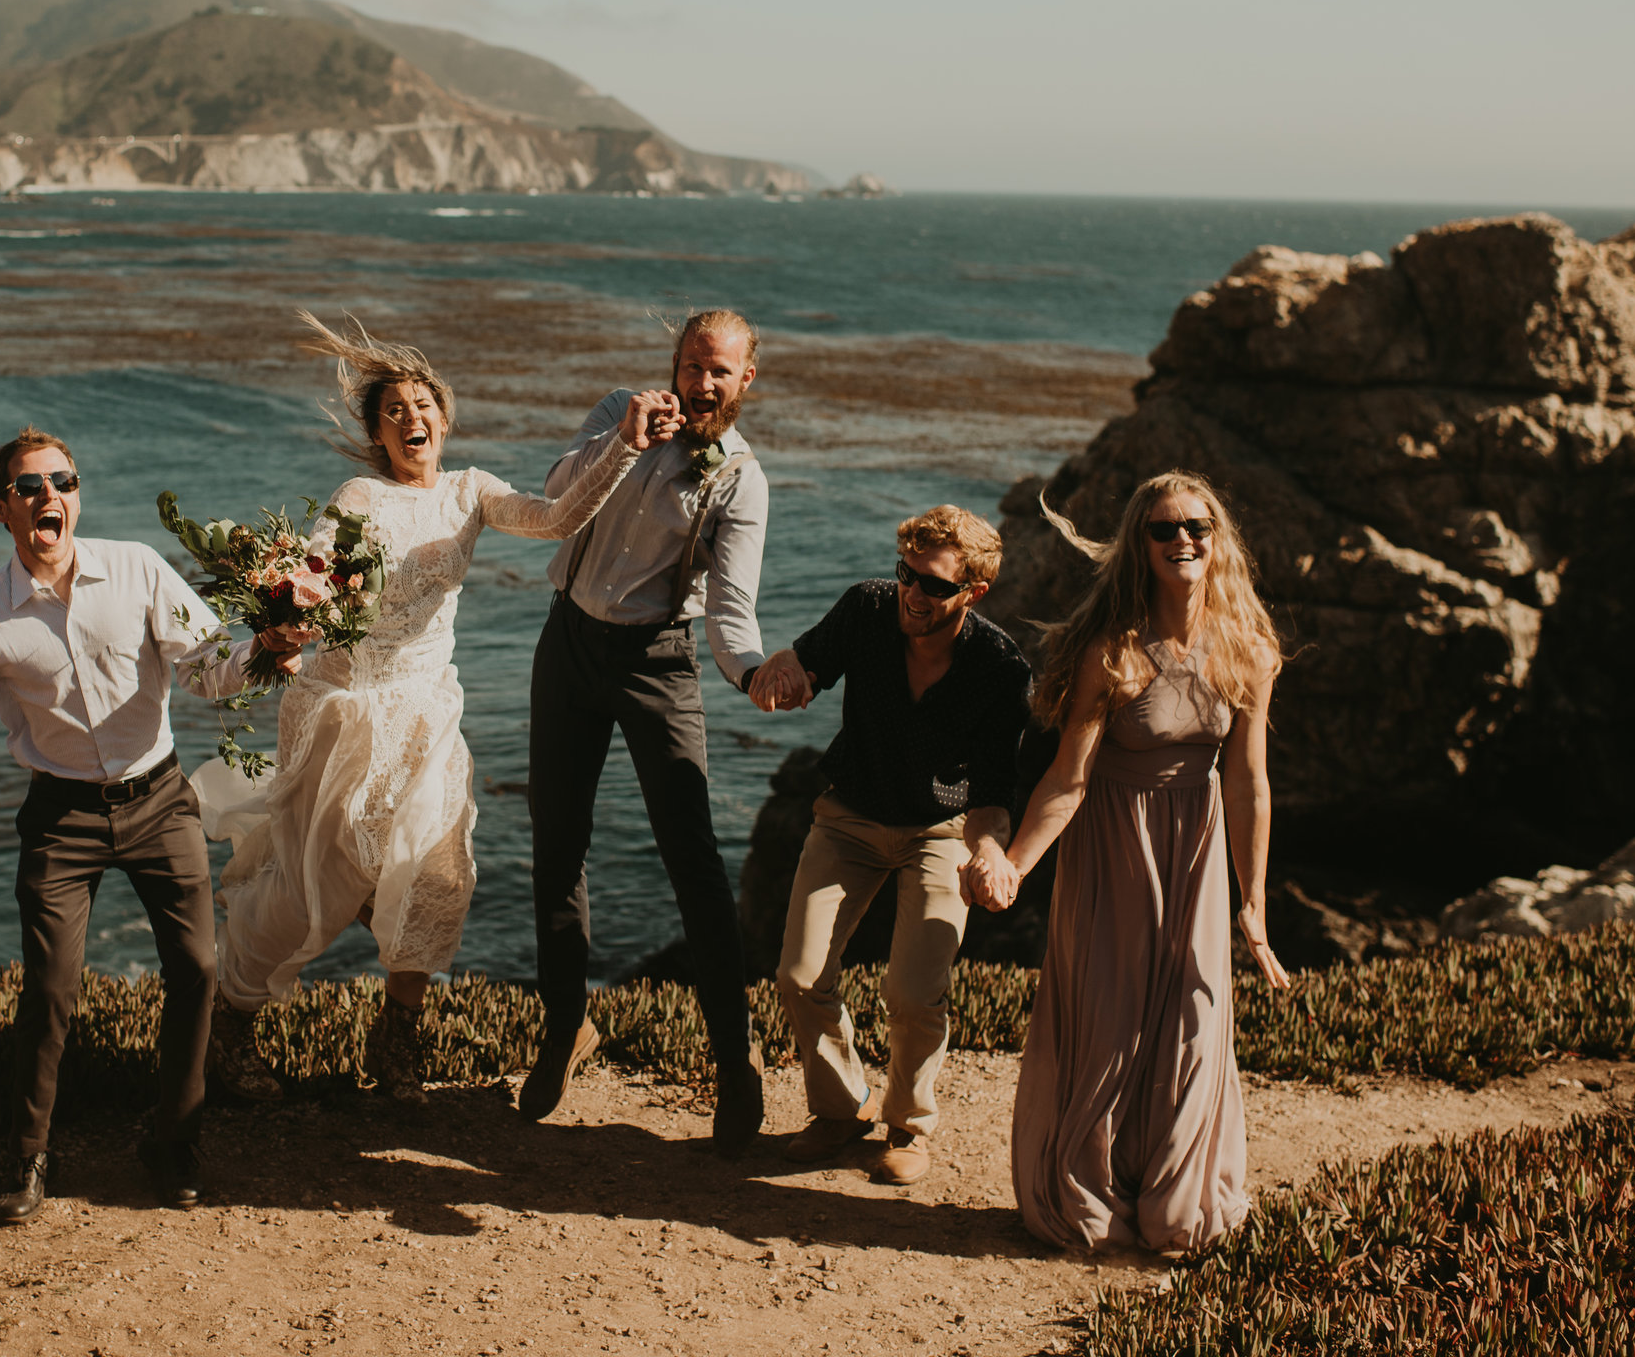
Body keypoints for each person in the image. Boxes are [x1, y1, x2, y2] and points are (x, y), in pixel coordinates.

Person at [203, 316, 675, 1107]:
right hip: (348, 708)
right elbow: (319, 572)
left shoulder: (472, 491)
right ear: (378, 432)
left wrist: (624, 445)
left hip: (426, 715)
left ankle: (396, 1046)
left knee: (437, 876)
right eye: (394, 411)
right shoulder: (359, 495)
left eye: (423, 405)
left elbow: (554, 518)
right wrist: (290, 612)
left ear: (445, 419)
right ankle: (228, 1024)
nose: (411, 417)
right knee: (315, 884)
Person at [0, 428, 291, 1223]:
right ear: (1, 507)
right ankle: (30, 1154)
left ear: (78, 495)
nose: (48, 498)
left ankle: (173, 1140)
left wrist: (267, 649)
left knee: (198, 970)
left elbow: (210, 669)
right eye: (28, 487)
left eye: (61, 482)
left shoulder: (137, 567)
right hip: (62, 818)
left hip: (161, 799)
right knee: (51, 988)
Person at [962, 470, 1294, 1253]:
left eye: (1198, 527)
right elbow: (1067, 780)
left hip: (1197, 848)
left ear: (1219, 540)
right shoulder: (1111, 654)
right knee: (1110, 1026)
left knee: (1194, 1022)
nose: (1184, 539)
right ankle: (1090, 1186)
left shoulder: (1249, 647)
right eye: (1165, 529)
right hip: (1113, 849)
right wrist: (1012, 863)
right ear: (1140, 547)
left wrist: (1254, 903)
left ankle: (1174, 1200)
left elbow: (1249, 781)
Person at [522, 308, 771, 1152]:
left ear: (745, 383)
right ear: (673, 363)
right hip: (569, 643)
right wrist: (622, 442)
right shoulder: (612, 413)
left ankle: (734, 1061)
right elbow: (556, 496)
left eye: (722, 372)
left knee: (693, 859)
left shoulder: (741, 480)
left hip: (658, 660)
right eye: (694, 365)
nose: (704, 383)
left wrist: (756, 674)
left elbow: (732, 618)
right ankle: (566, 1025)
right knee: (556, 844)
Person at [749, 506, 1030, 1187]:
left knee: (912, 989)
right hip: (847, 816)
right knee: (798, 974)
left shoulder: (999, 668)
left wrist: (993, 854)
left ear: (974, 592)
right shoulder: (868, 607)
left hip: (942, 833)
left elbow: (993, 796)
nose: (912, 592)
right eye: (908, 574)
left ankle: (909, 1125)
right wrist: (781, 675)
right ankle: (843, 1108)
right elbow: (806, 663)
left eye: (933, 585)